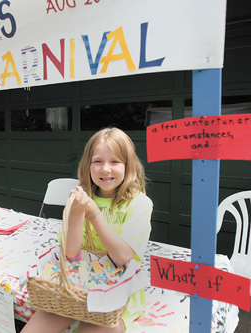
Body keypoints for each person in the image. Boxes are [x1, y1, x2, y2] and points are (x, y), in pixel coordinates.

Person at [22, 128, 153, 333]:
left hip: (117, 294)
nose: (105, 169)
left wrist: (93, 213)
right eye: (98, 161)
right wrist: (76, 213)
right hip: (77, 288)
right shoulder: (80, 198)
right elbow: (70, 253)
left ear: (128, 166)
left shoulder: (139, 204)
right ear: (88, 165)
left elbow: (123, 256)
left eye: (115, 162)